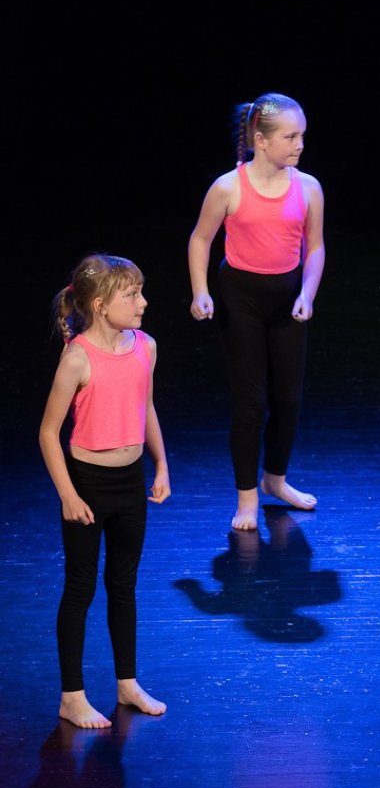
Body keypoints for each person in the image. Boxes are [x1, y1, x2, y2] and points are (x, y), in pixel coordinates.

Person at [39, 255, 170, 728]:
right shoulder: (78, 357)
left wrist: (161, 463)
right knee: (80, 587)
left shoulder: (145, 347)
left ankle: (127, 683)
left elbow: (145, 406)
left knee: (123, 584)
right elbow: (48, 433)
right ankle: (72, 697)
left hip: (129, 483)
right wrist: (68, 495)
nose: (143, 302)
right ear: (99, 305)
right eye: (131, 295)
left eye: (140, 292)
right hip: (87, 485)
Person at [187, 92, 327, 530]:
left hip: (287, 299)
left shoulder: (308, 188)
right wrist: (200, 292)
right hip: (241, 298)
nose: (299, 144)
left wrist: (307, 293)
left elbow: (315, 247)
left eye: (302, 135)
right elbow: (200, 239)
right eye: (290, 136)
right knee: (251, 403)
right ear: (260, 140)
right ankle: (247, 497)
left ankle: (275, 480)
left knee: (288, 399)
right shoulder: (228, 187)